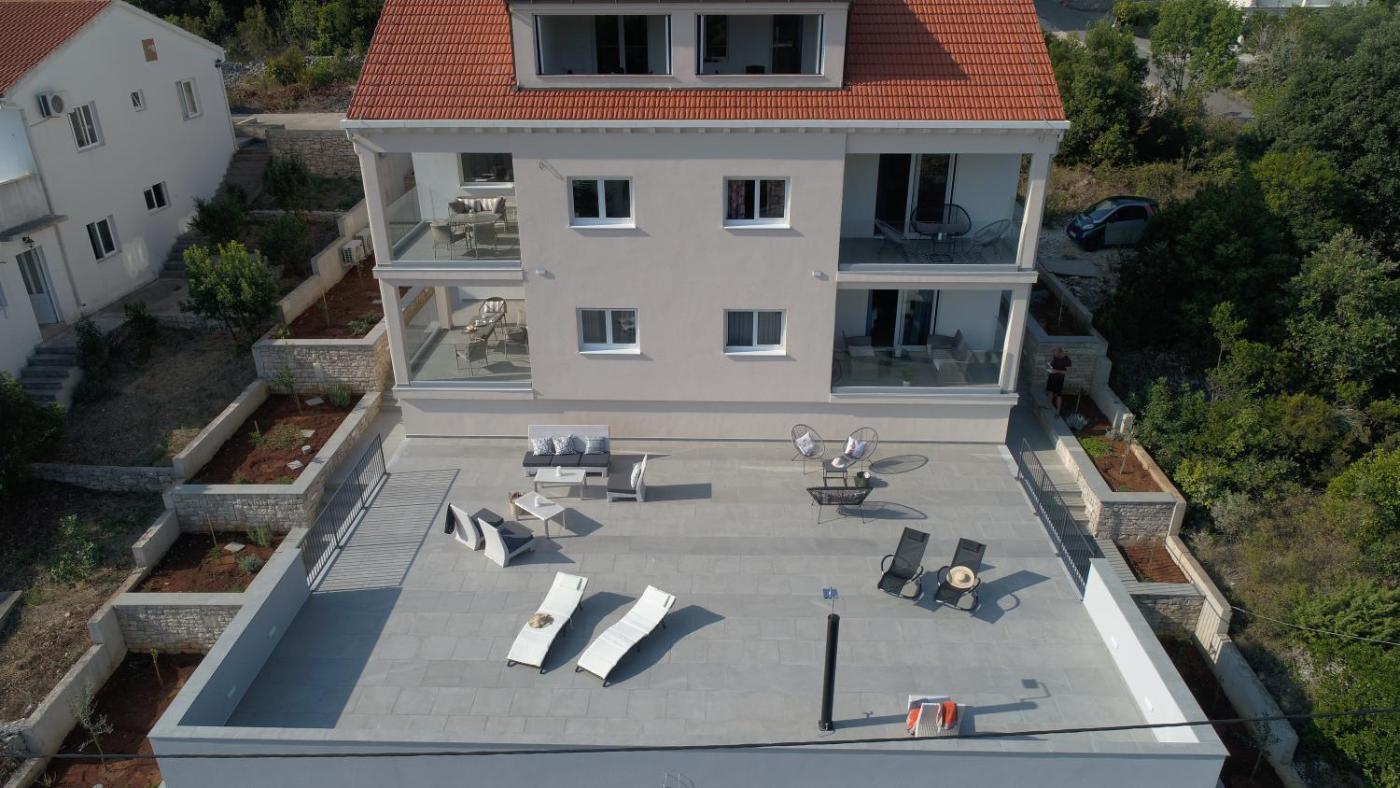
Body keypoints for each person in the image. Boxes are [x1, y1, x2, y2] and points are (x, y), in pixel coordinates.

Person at [1045, 347, 1072, 413]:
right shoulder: (1055, 357)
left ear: (1060, 353)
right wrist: (1049, 365)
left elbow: (1068, 372)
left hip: (1059, 379)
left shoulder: (1067, 360)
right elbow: (1051, 364)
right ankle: (1048, 405)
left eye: (1056, 354)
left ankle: (1058, 411)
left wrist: (1056, 371)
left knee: (1058, 395)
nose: (1055, 355)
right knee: (1050, 391)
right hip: (1052, 377)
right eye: (1054, 354)